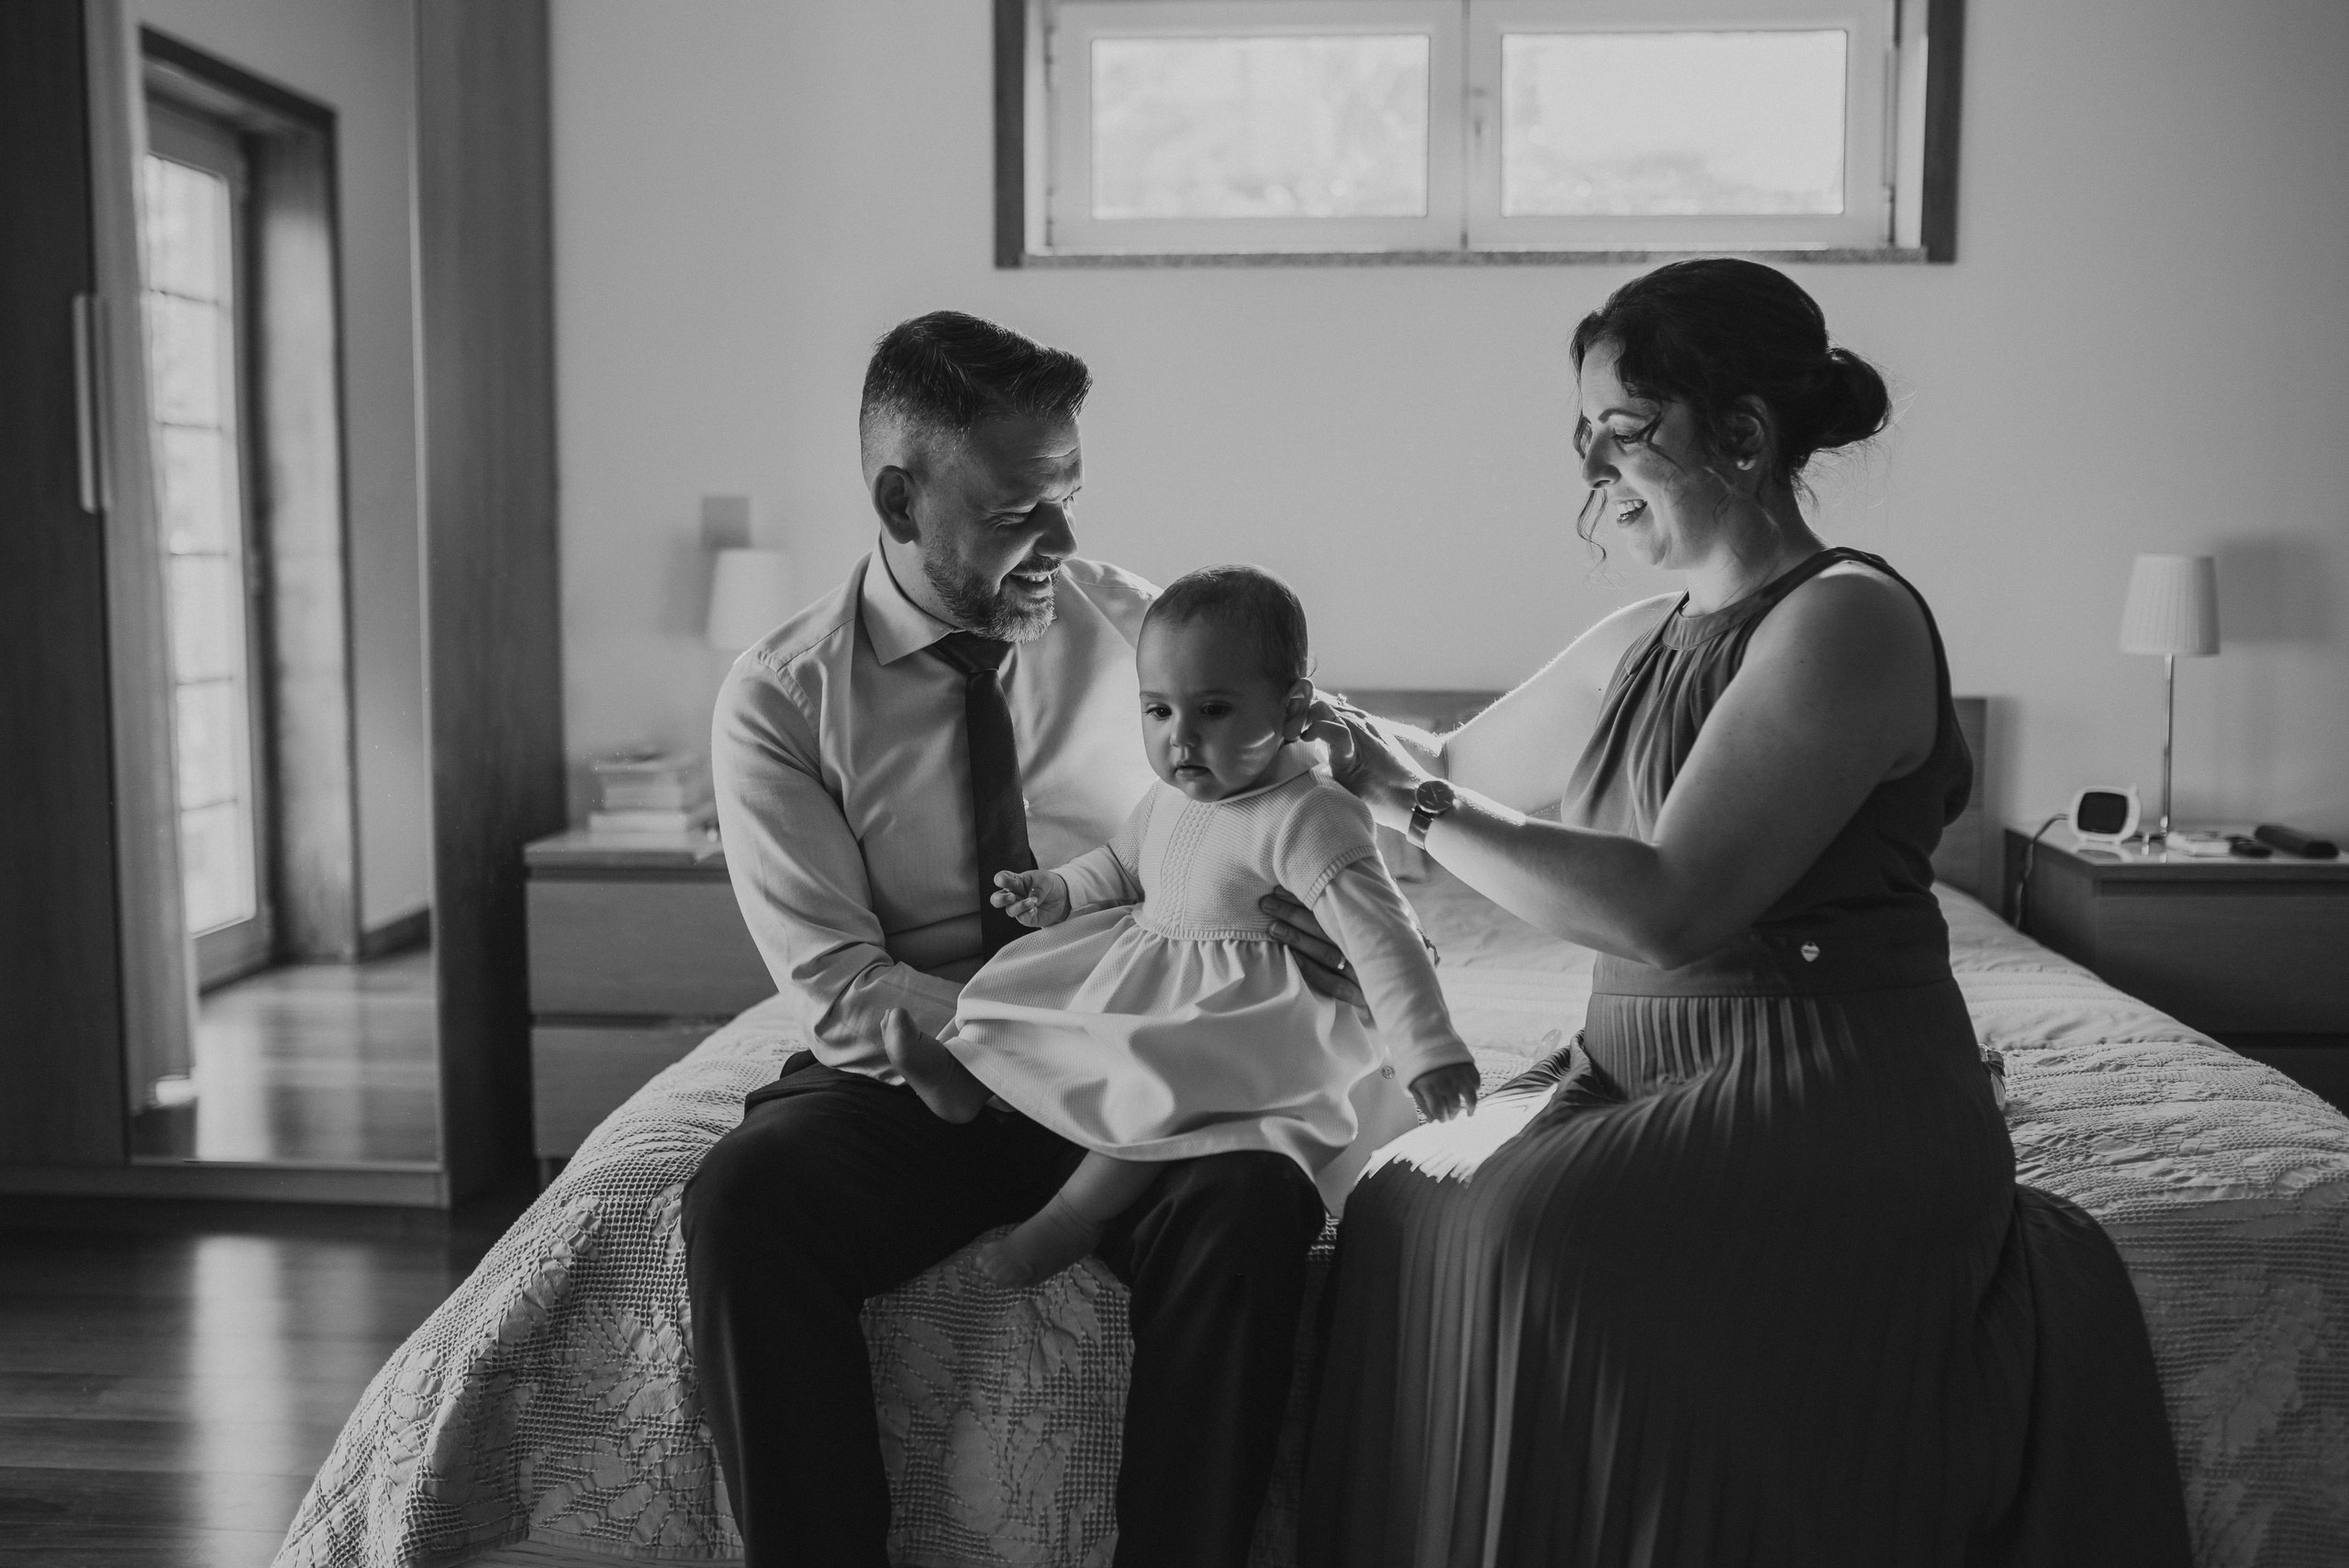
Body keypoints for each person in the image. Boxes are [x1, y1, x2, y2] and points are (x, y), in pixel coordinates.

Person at [1282, 259, 2192, 1566]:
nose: (1594, 470)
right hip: (1637, 1064)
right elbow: (1460, 766)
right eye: (1585, 431)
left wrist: (1408, 807)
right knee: (1402, 1197)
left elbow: (1670, 907)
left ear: (1748, 438)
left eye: (1626, 431)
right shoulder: (1649, 633)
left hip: (1812, 1079)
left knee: (1535, 1234)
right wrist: (1300, 718)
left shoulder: (1847, 624)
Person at [682, 312, 1349, 1568]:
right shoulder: (780, 697)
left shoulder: (1143, 634)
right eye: (1018, 511)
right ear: (899, 495)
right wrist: (1027, 1048)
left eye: (1071, 497)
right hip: (922, 1070)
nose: (1065, 541)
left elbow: (1279, 788)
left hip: (1140, 1059)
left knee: (1255, 1194)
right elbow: (837, 982)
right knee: (743, 1198)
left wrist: (1306, 895)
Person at [883, 564, 1481, 1288]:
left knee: (1160, 1082)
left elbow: (1380, 936)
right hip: (1162, 981)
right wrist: (1058, 891)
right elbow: (1122, 866)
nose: (1181, 738)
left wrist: (1428, 1050)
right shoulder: (1169, 798)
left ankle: (1070, 1219)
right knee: (1032, 995)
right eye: (1158, 711)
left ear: (1292, 709)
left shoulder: (1311, 814)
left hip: (1245, 1022)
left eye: (1215, 710)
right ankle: (969, 1076)